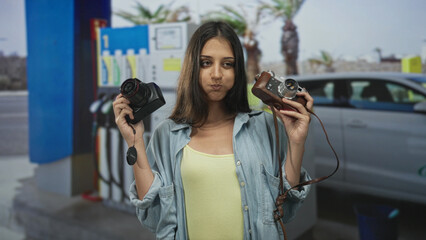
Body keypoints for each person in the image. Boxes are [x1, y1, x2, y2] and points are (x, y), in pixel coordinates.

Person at [113, 21, 314, 240]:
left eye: (227, 64)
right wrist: (135, 142)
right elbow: (153, 216)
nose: (216, 74)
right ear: (192, 67)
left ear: (237, 71)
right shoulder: (167, 134)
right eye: (206, 63)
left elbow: (288, 208)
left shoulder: (264, 126)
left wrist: (296, 142)